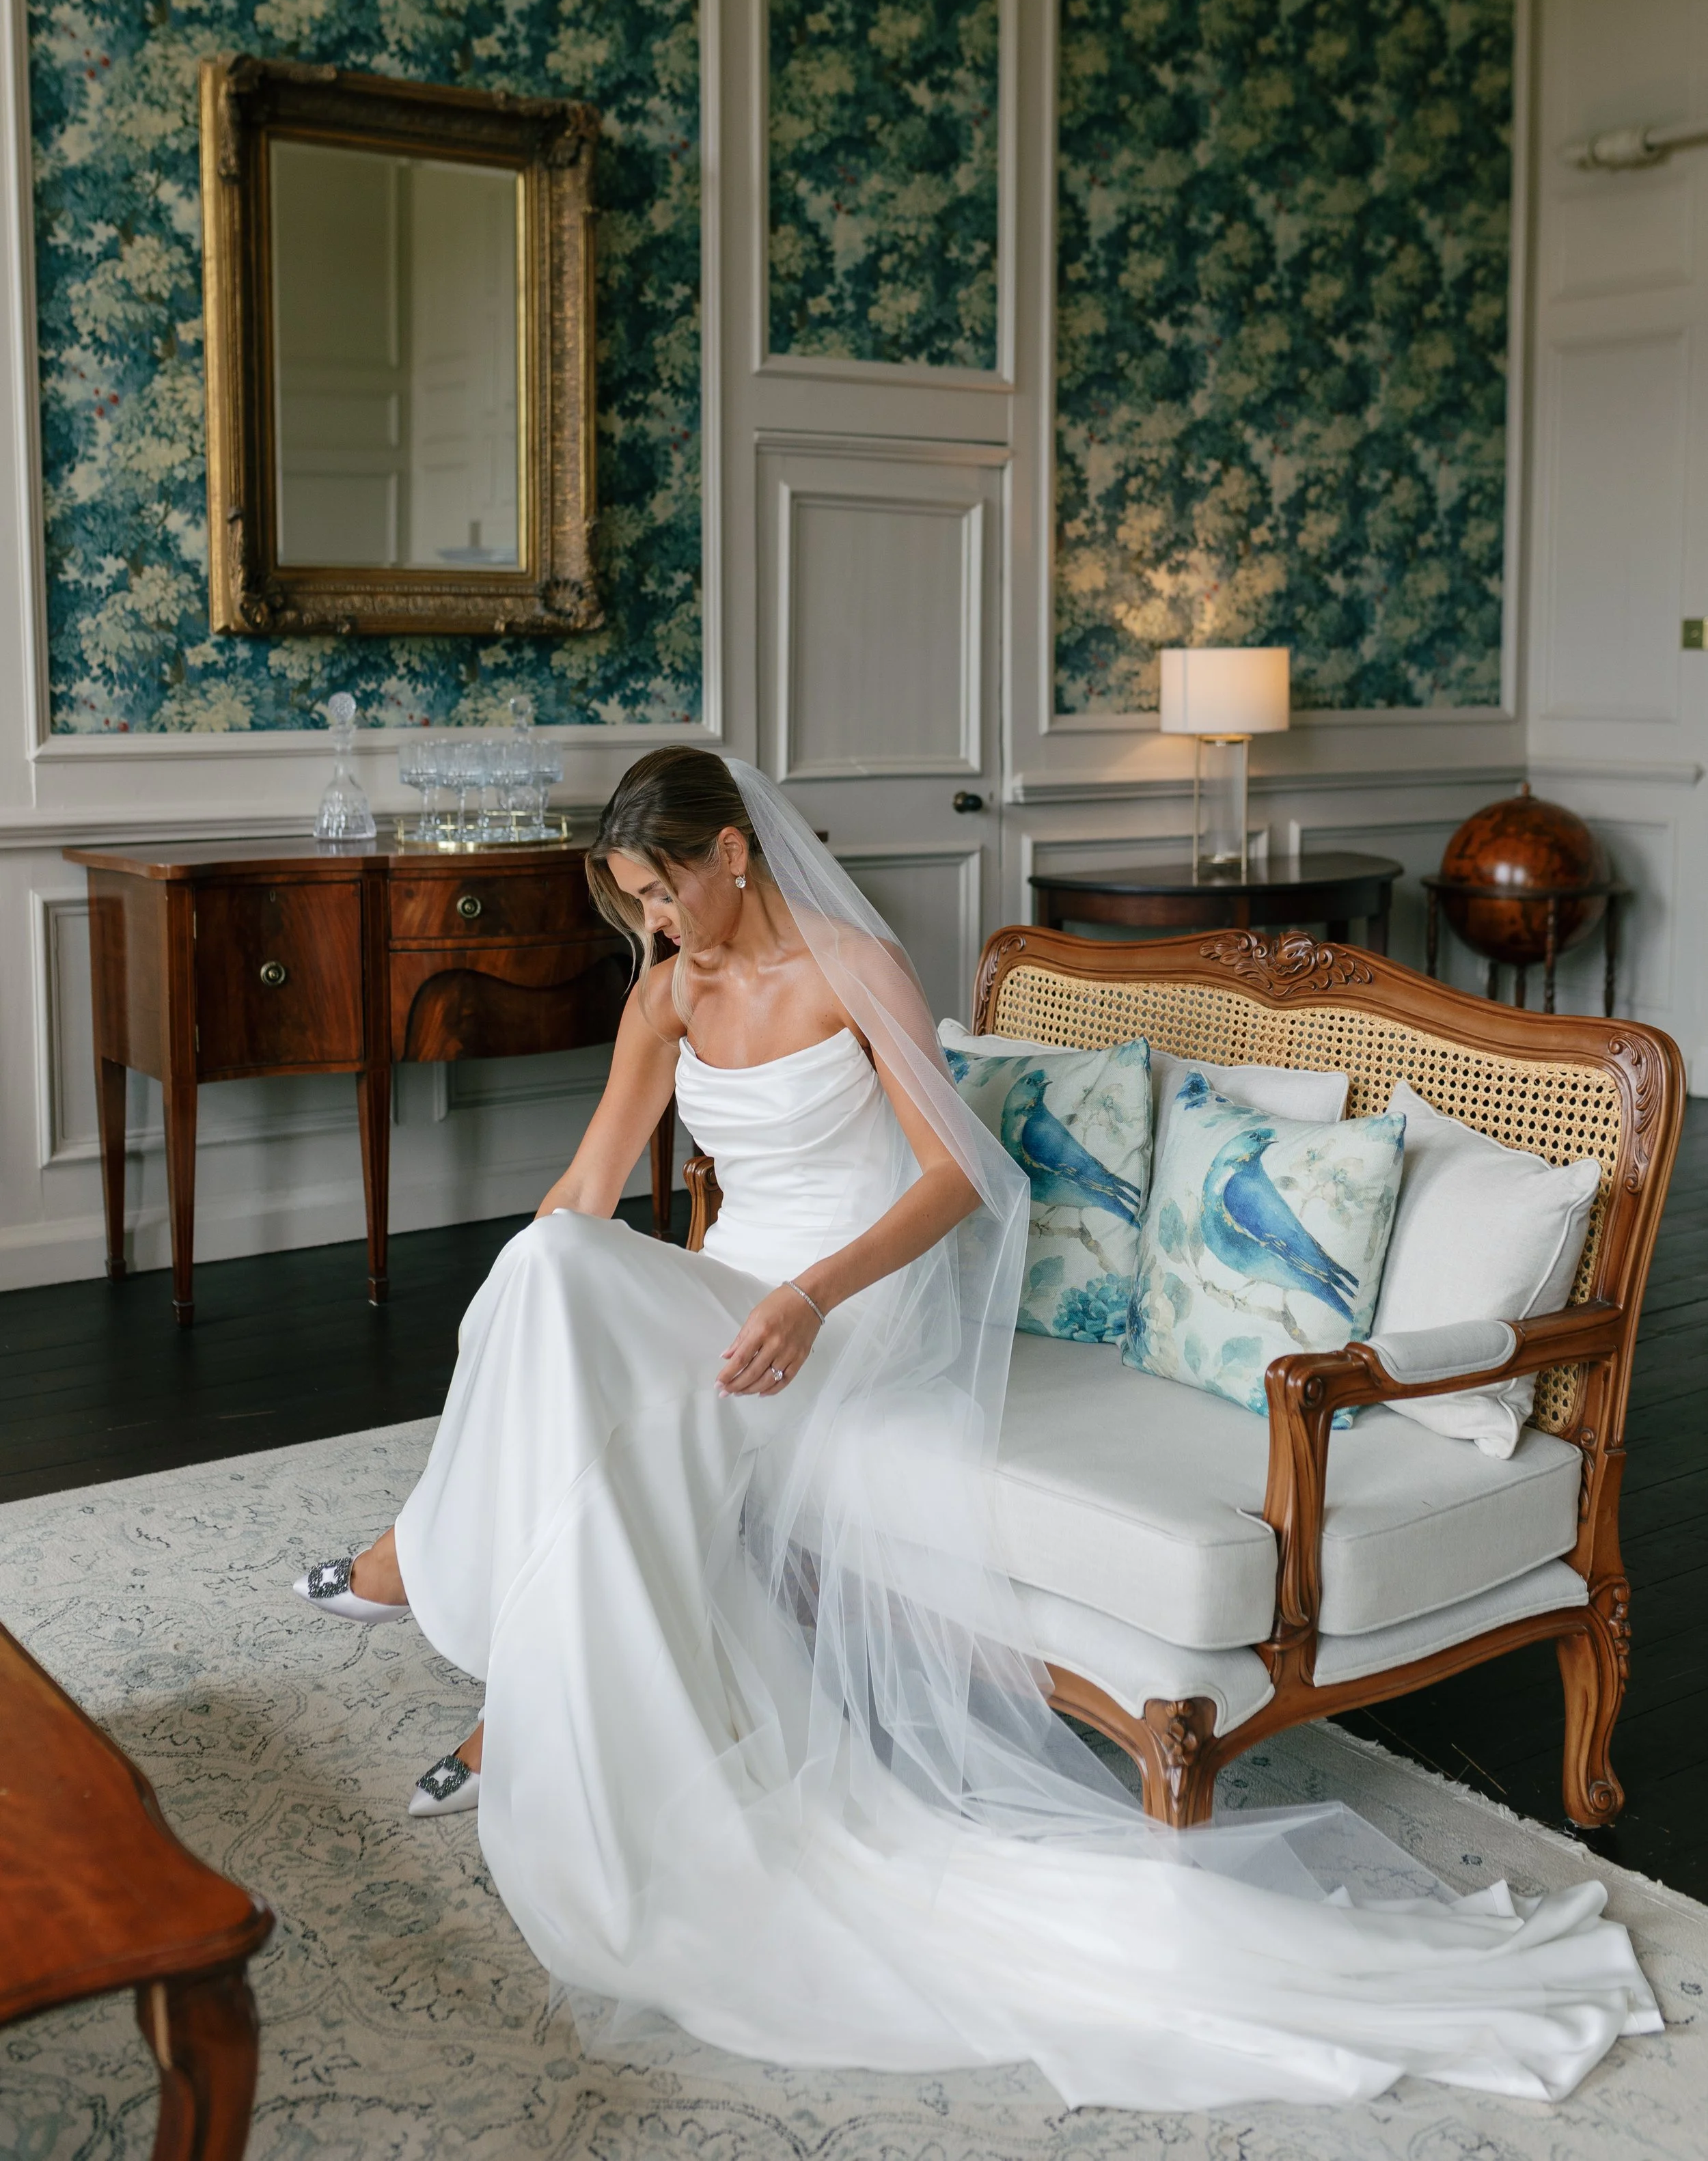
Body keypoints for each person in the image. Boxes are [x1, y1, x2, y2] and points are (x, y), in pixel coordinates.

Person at [294, 747, 1659, 2111]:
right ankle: (475, 1627)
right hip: (732, 1291)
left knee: (618, 1416)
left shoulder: (849, 967)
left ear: (730, 856)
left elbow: (961, 1173)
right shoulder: (667, 992)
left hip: (849, 1305)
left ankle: (440, 1596)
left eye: (664, 891)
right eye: (634, 902)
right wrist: (535, 1329)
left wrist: (812, 1299)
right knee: (543, 1279)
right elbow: (588, 1184)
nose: (654, 924)